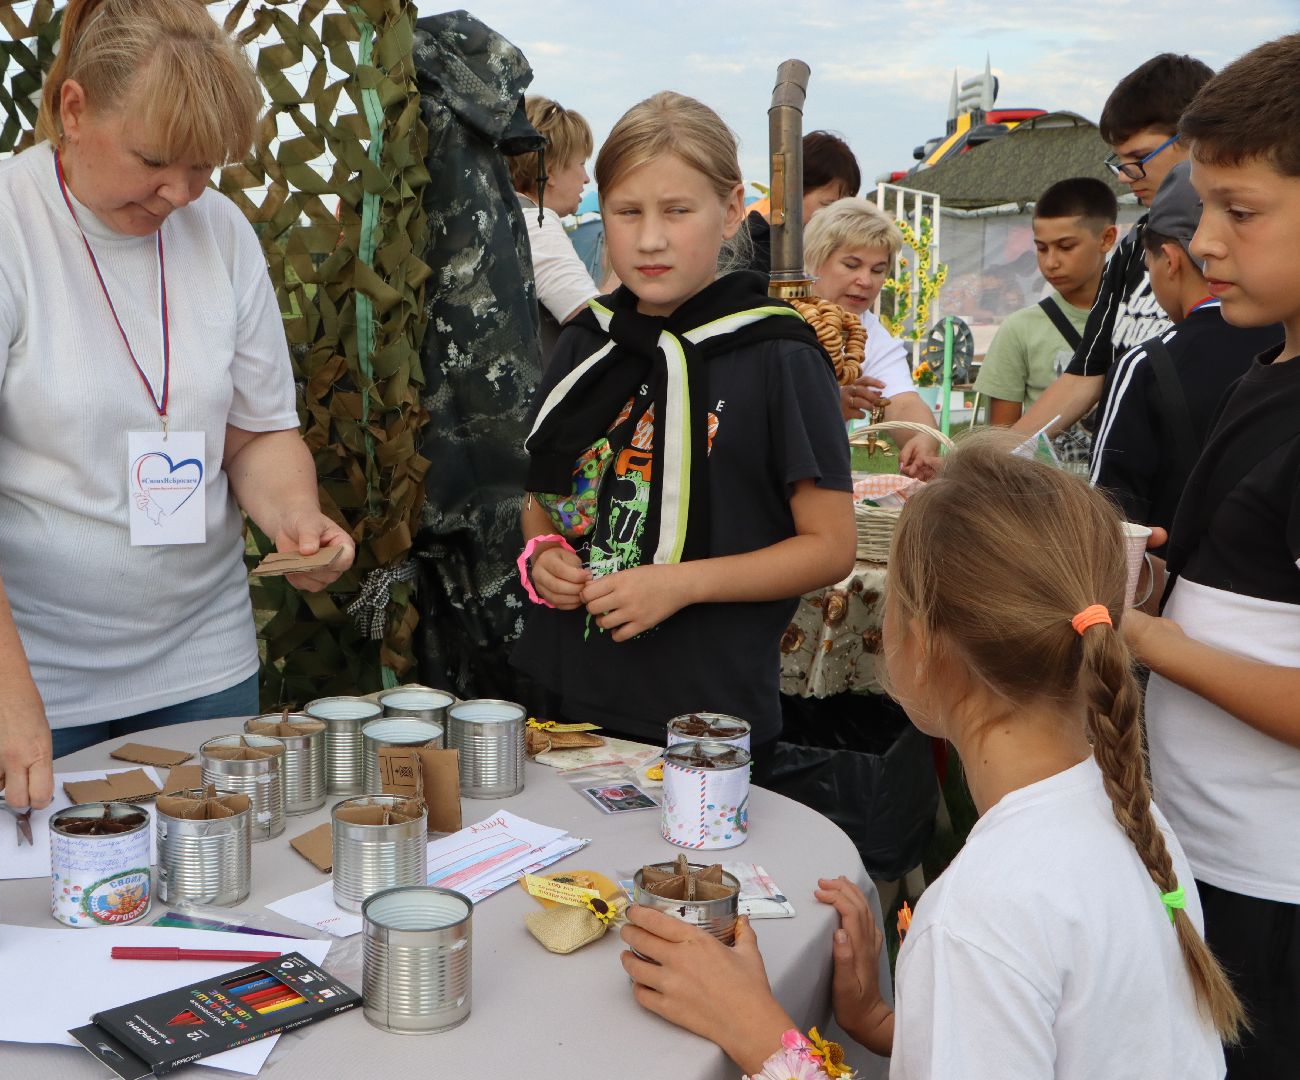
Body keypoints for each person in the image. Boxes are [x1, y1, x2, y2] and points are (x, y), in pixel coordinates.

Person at [620, 435, 1236, 1078]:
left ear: (925, 644)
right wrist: (887, 1025)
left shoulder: (984, 917)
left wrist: (754, 1030)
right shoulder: (1136, 824)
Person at [0, 0, 353, 808]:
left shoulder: (223, 234)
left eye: (205, 167)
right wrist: (0, 689)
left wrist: (296, 516)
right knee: (54, 913)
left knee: (212, 881)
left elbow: (257, 433)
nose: (178, 193)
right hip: (33, 675)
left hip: (203, 660)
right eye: (155, 159)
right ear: (73, 108)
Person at [513, 91, 856, 763]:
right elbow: (542, 497)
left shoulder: (777, 356)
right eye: (626, 211)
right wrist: (543, 553)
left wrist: (681, 581)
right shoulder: (588, 342)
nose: (649, 239)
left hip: (706, 720)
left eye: (677, 211)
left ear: (730, 211)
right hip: (564, 704)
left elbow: (829, 546)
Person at [1123, 34, 1300, 1075]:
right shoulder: (1262, 363)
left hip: (1272, 887)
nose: (1207, 240)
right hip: (1203, 847)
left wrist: (1146, 634)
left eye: (1242, 211)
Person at [1012, 54, 1212, 443]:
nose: (1125, 176)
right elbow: (1085, 375)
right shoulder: (1132, 246)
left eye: (1139, 158)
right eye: (1119, 162)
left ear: (1199, 139)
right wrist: (994, 455)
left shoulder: (1240, 246)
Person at [1090, 162, 1283, 529]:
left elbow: (1107, 524)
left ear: (1171, 260)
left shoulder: (1146, 366)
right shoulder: (1286, 343)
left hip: (1173, 581)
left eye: (1149, 266)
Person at [805, 199, 944, 480]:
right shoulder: (778, 314)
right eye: (851, 265)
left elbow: (902, 402)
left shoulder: (869, 332)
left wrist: (923, 439)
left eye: (877, 270)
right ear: (814, 259)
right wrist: (830, 405)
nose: (865, 281)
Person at [976, 178, 1118, 427]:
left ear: (1107, 239)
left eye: (1065, 247)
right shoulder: (1019, 330)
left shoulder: (1143, 319)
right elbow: (999, 445)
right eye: (1041, 249)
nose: (1051, 262)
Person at [508, 95, 599, 362]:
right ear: (550, 171)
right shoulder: (537, 223)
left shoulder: (506, 214)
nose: (586, 178)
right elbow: (595, 323)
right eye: (581, 163)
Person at [744, 130, 861, 286]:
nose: (837, 218)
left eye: (844, 209)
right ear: (791, 190)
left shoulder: (835, 248)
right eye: (827, 205)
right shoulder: (745, 248)